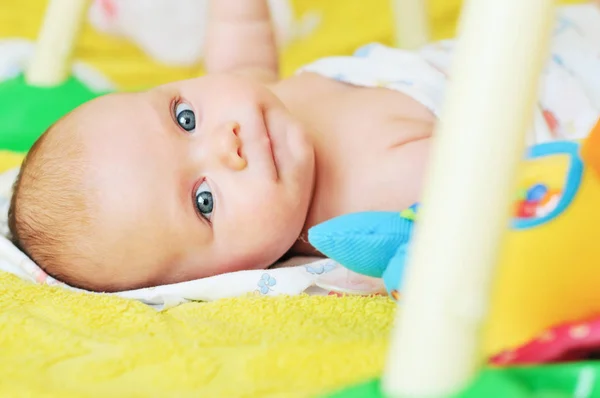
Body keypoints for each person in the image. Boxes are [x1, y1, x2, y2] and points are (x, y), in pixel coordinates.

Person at [8, 0, 600, 292]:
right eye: (205, 202)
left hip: (552, 28)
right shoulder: (368, 199)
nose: (227, 144)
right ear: (224, 274)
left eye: (183, 115)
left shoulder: (260, 101)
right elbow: (504, 181)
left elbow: (242, 50)